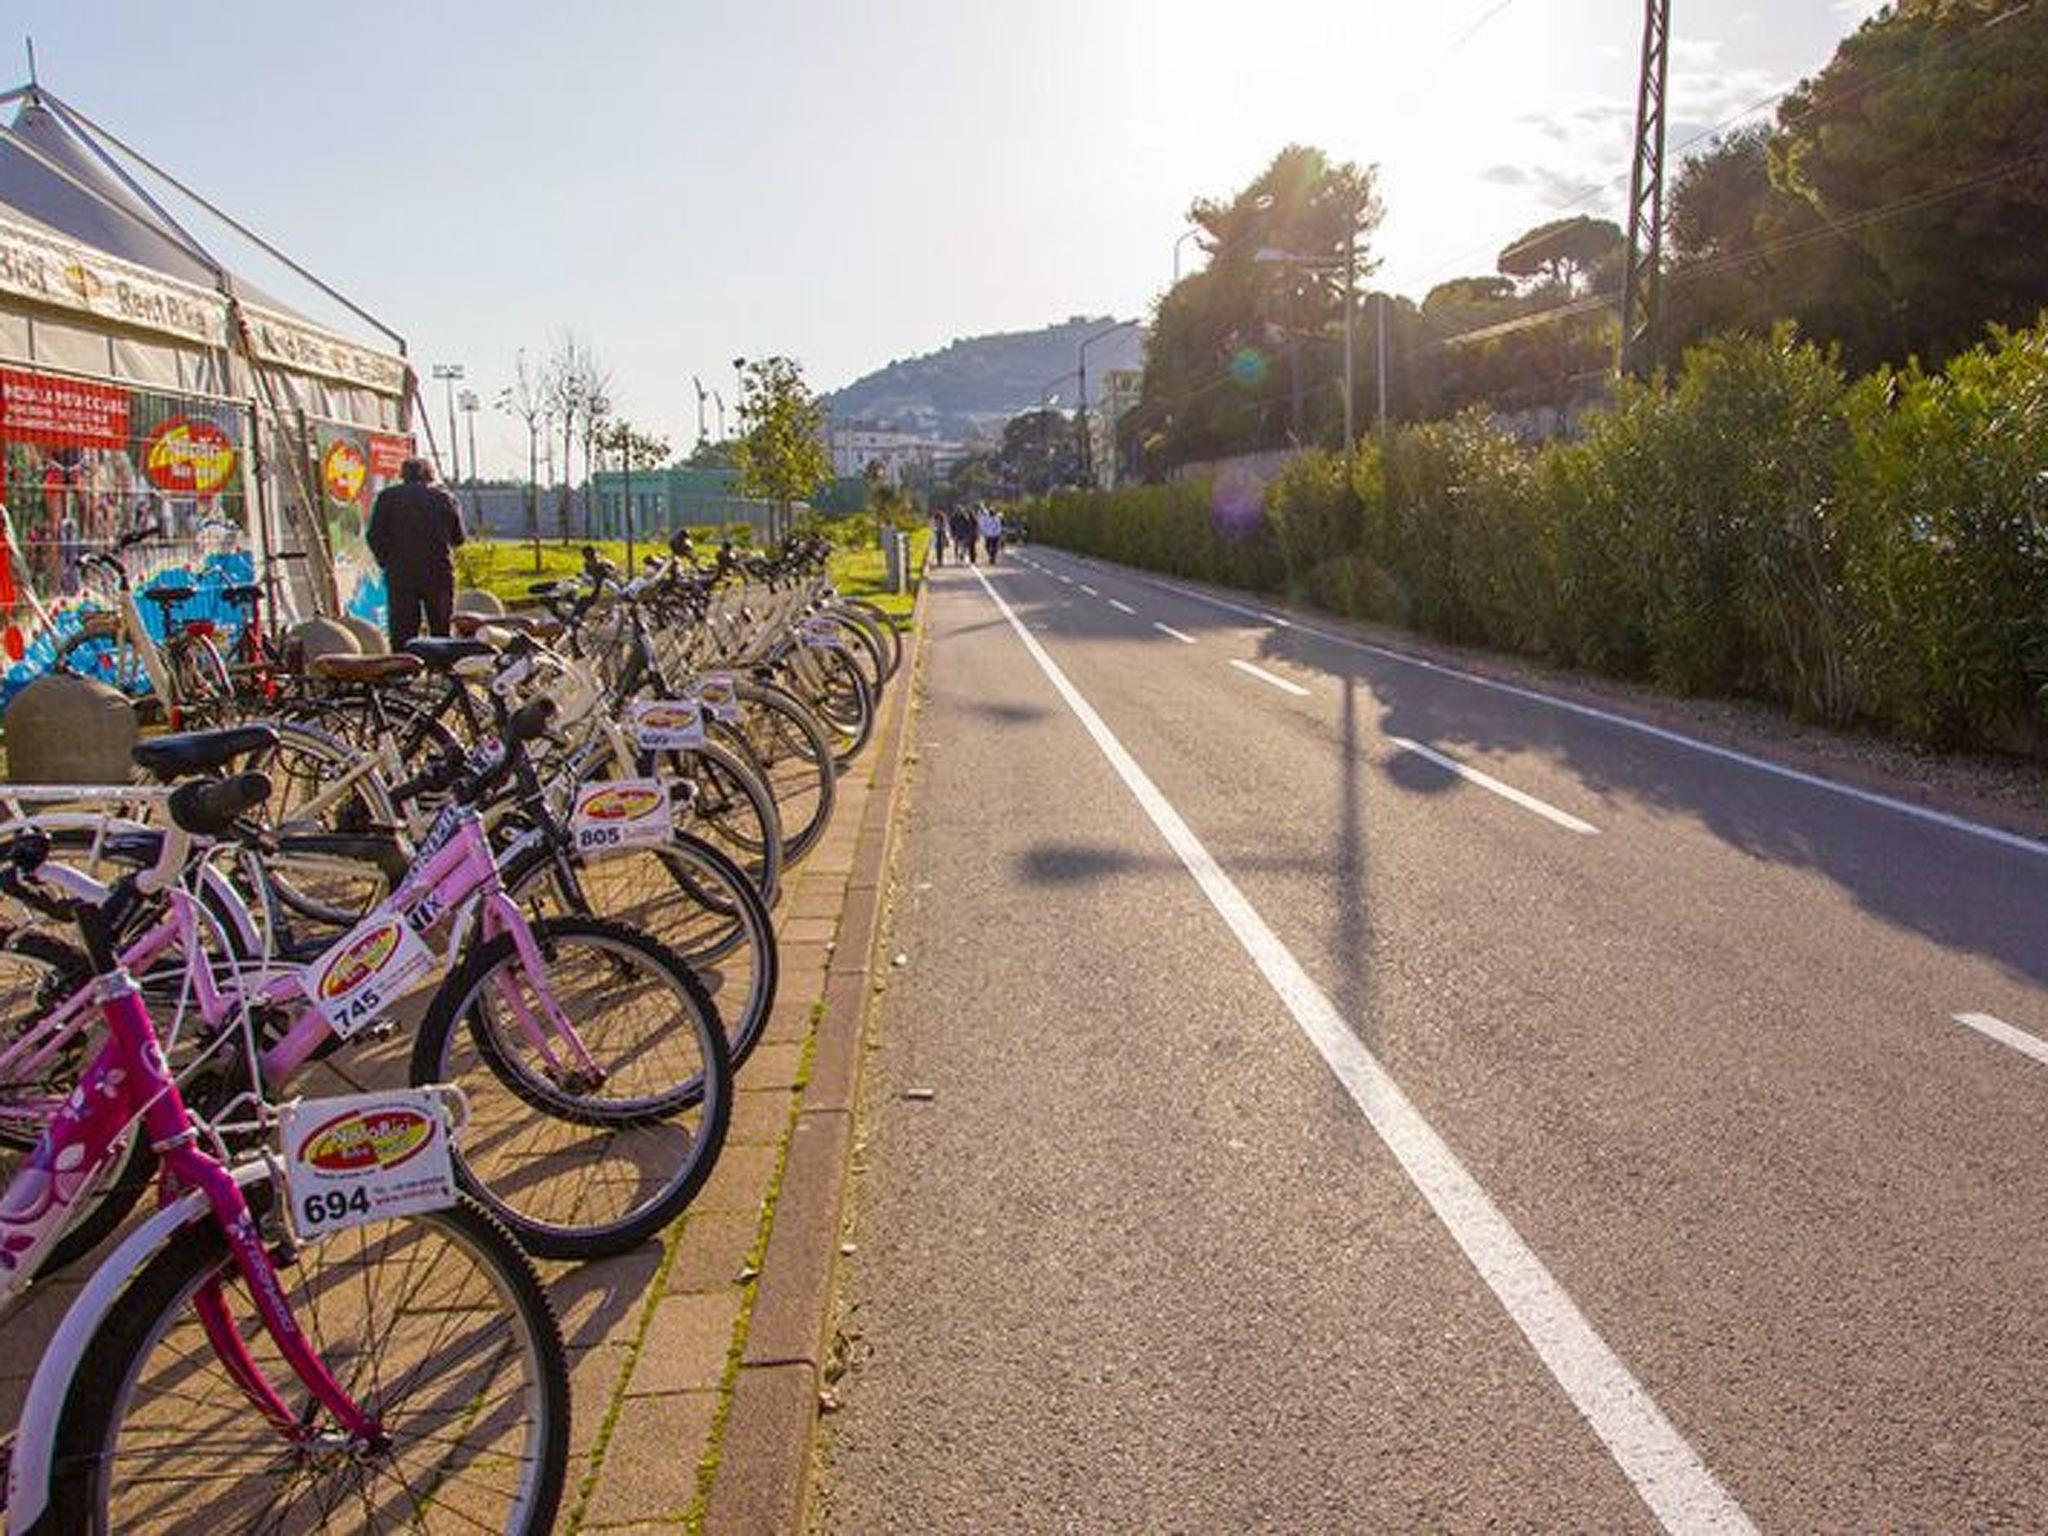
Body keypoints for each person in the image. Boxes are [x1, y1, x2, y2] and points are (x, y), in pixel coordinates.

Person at [367, 456, 465, 647]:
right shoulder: (444, 498)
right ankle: (441, 664)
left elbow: (374, 535)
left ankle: (404, 663)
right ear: (429, 475)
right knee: (441, 630)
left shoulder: (387, 497)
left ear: (403, 475)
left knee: (403, 632)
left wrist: (386, 560)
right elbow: (458, 538)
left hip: (401, 573)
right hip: (438, 572)